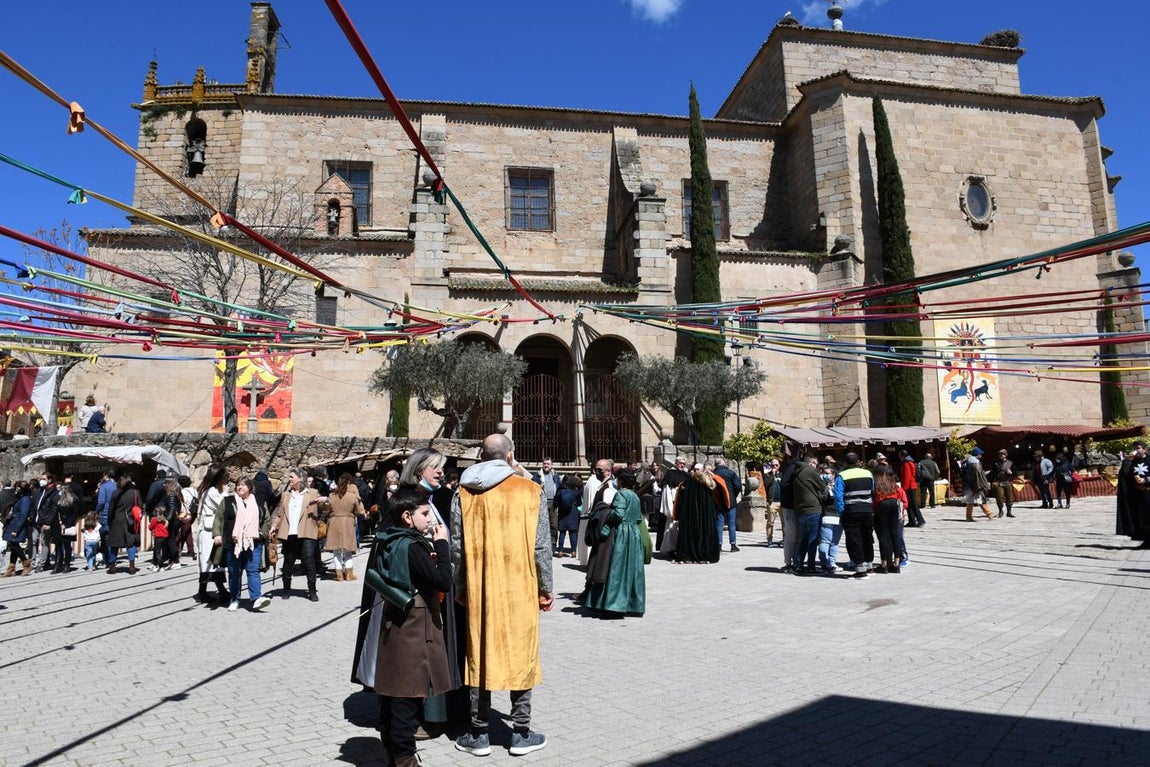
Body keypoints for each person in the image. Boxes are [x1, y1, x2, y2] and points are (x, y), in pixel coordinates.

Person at [451, 433, 553, 758]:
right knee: (522, 653)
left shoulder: (463, 493)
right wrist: (546, 587)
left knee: (479, 652)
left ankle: (478, 733)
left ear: (482, 456)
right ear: (510, 456)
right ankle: (520, 732)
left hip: (480, 588)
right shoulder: (531, 491)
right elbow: (542, 547)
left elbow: (457, 547)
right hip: (520, 587)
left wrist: (459, 586)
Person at [369, 487, 453, 767]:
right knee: (407, 697)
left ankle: (394, 755)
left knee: (392, 696)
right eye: (424, 514)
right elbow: (442, 581)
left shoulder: (388, 539)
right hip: (414, 629)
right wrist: (442, 545)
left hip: (395, 625)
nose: (430, 520)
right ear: (407, 516)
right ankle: (405, 761)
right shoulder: (412, 546)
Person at [586, 467, 645, 616]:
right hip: (634, 533)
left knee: (616, 568)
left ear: (621, 480)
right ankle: (633, 604)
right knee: (632, 569)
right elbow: (638, 518)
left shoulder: (621, 494)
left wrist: (605, 512)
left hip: (621, 534)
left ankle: (613, 605)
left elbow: (618, 514)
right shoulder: (635, 496)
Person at [212, 476, 271, 612]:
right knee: (234, 572)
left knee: (253, 571)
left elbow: (267, 520)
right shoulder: (228, 501)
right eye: (238, 484)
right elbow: (218, 518)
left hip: (253, 542)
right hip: (233, 542)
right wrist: (217, 534)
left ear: (250, 487)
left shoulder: (259, 502)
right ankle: (235, 599)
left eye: (243, 485)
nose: (240, 487)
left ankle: (256, 598)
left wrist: (262, 533)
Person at [270, 467, 325, 602]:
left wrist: (325, 501)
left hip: (307, 531)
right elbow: (279, 514)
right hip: (290, 532)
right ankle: (286, 590)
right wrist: (274, 526)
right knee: (288, 560)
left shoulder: (312, 493)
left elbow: (326, 509)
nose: (289, 479)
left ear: (300, 478)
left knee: (308, 559)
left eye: (292, 477)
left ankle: (312, 590)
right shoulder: (286, 495)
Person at [671, 463, 723, 565]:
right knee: (705, 531)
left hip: (691, 514)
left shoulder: (688, 482)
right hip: (705, 514)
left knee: (691, 532)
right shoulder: (708, 481)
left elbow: (680, 497)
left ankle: (688, 556)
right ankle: (705, 556)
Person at [193, 466, 230, 604]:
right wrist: (226, 493)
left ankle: (218, 591)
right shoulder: (212, 492)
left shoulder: (208, 491)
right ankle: (208, 592)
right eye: (225, 478)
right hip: (209, 532)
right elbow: (224, 506)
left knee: (212, 563)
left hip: (210, 532)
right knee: (211, 562)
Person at [791, 453, 830, 574]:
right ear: (811, 463)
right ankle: (811, 566)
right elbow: (822, 485)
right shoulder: (809, 471)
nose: (816, 467)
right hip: (813, 508)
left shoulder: (795, 471)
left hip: (801, 509)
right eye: (816, 464)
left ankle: (798, 564)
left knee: (804, 538)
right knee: (813, 540)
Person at [838, 452, 876, 578]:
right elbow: (872, 490)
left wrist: (841, 512)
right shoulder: (868, 473)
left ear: (845, 463)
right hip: (867, 509)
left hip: (851, 510)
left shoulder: (842, 475)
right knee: (867, 537)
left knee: (855, 539)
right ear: (858, 461)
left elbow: (838, 497)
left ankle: (860, 569)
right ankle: (870, 565)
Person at [325, 472, 365, 582]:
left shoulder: (331, 496)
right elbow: (358, 511)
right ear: (348, 484)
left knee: (336, 550)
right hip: (348, 522)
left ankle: (339, 575)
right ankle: (349, 574)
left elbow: (327, 510)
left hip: (334, 522)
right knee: (348, 549)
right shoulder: (352, 497)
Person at [872, 464, 908, 573]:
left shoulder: (876, 484)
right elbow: (900, 496)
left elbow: (874, 498)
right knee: (895, 534)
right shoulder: (892, 483)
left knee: (883, 536)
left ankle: (884, 565)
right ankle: (896, 564)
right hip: (893, 504)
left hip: (881, 505)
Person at [107, 468, 141, 575]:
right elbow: (140, 506)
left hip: (116, 520)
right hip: (130, 521)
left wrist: (109, 521)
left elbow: (111, 509)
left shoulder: (115, 493)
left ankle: (112, 566)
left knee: (114, 545)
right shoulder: (135, 493)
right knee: (130, 544)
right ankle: (132, 566)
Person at [1116, 441, 1150, 546]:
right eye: (1134, 448)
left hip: (1148, 493)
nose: (1136, 450)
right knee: (1139, 518)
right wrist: (1126, 462)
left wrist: (1146, 480)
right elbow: (1125, 476)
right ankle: (1145, 540)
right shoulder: (1131, 462)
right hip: (1136, 494)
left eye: (1138, 448)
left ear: (1144, 449)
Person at [531, 457, 563, 555]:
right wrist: (538, 487)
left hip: (553, 503)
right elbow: (531, 488)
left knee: (553, 525)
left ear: (551, 465)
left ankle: (553, 546)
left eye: (548, 464)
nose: (546, 465)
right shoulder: (537, 476)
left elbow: (560, 488)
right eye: (544, 463)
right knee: (541, 525)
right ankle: (541, 546)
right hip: (541, 502)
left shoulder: (556, 476)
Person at [30, 473, 60, 573]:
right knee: (33, 542)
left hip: (45, 521)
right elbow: (34, 506)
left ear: (50, 480)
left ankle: (41, 564)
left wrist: (48, 522)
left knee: (44, 542)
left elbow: (54, 509)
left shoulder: (54, 492)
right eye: (40, 479)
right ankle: (32, 562)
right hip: (35, 521)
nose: (41, 480)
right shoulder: (38, 491)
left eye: (43, 479)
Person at [3, 481, 33, 577]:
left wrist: (16, 529)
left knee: (14, 545)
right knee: (13, 545)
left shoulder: (25, 499)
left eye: (18, 488)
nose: (16, 490)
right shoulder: (19, 498)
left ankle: (26, 562)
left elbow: (23, 515)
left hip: (17, 524)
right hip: (12, 522)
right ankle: (11, 567)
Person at [712, 457, 741, 553]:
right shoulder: (731, 473)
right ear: (724, 463)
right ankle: (733, 545)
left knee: (719, 523)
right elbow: (737, 486)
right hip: (730, 501)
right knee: (731, 523)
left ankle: (719, 545)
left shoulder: (713, 474)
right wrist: (733, 495)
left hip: (718, 501)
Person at [53, 480, 82, 574]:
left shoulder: (74, 500)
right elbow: (56, 511)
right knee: (58, 545)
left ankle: (67, 564)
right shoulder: (59, 500)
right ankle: (58, 564)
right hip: (59, 524)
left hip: (68, 525)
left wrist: (67, 524)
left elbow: (74, 514)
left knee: (67, 546)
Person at [963, 450, 996, 522]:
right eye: (980, 454)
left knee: (971, 501)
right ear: (977, 454)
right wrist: (978, 485)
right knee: (980, 499)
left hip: (968, 483)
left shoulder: (967, 462)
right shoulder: (975, 463)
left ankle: (969, 517)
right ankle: (989, 514)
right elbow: (977, 475)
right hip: (974, 484)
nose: (981, 456)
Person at [555, 475, 582, 557]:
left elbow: (556, 502)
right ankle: (573, 551)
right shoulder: (574, 491)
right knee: (573, 532)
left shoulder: (560, 490)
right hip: (572, 513)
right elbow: (579, 503)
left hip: (562, 513)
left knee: (562, 533)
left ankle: (560, 551)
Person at [897, 450, 924, 528]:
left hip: (909, 487)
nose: (899, 457)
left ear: (902, 455)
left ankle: (920, 520)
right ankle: (912, 521)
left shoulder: (907, 463)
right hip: (910, 486)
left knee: (913, 504)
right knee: (909, 505)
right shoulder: (908, 462)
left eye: (899, 455)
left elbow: (907, 477)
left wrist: (904, 489)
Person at [989, 449, 1015, 518]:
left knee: (1009, 498)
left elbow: (1015, 473)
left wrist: (1011, 473)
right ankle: (1000, 511)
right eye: (999, 454)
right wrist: (993, 481)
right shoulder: (996, 463)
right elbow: (992, 474)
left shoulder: (1010, 463)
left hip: (1007, 482)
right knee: (999, 498)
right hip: (998, 483)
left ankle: (1009, 512)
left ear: (1005, 455)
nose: (1000, 455)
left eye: (1002, 454)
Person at [148, 507, 171, 571]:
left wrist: (149, 525)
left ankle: (160, 566)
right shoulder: (165, 520)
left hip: (158, 537)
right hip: (165, 537)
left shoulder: (155, 519)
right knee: (163, 551)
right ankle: (155, 564)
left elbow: (150, 527)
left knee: (157, 552)